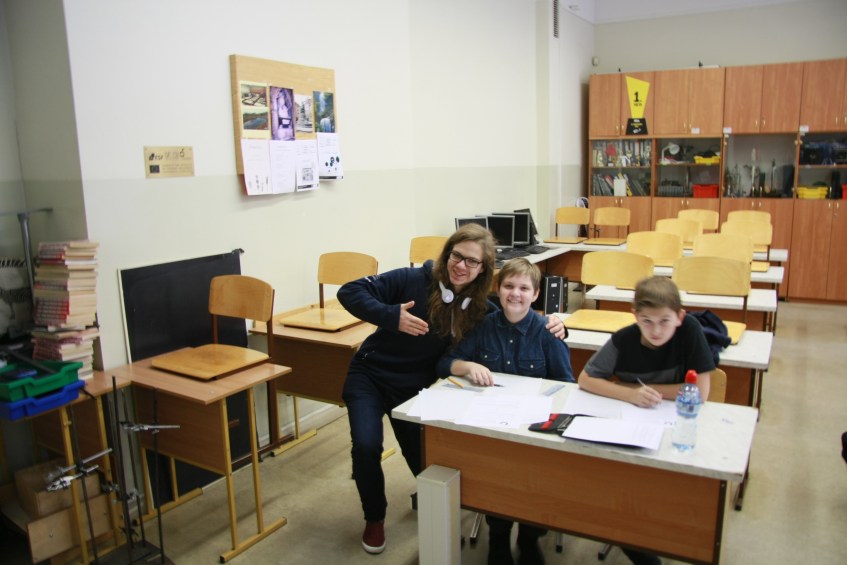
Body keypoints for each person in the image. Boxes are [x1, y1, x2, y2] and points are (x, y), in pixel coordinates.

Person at [337, 224, 565, 555]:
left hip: (415, 385)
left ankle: (436, 510)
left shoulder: (479, 306)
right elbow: (349, 291)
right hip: (370, 375)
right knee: (366, 446)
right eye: (457, 256)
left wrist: (554, 325)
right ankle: (374, 517)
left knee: (427, 458)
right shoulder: (411, 279)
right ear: (447, 254)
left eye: (473, 261)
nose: (462, 266)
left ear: (483, 269)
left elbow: (512, 315)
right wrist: (390, 316)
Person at [437, 258, 574, 565]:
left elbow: (567, 387)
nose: (515, 294)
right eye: (509, 286)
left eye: (524, 288)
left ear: (535, 294)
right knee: (495, 475)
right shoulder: (482, 326)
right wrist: (467, 366)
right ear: (497, 290)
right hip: (493, 424)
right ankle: (498, 536)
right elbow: (445, 363)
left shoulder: (548, 332)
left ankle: (529, 538)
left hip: (534, 429)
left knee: (536, 479)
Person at [577, 276, 713, 565]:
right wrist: (630, 395)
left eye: (664, 321)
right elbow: (586, 379)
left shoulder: (690, 330)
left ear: (680, 317)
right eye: (647, 321)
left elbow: (700, 392)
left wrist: (641, 390)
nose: (656, 330)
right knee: (615, 494)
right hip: (632, 431)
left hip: (677, 431)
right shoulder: (624, 339)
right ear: (635, 315)